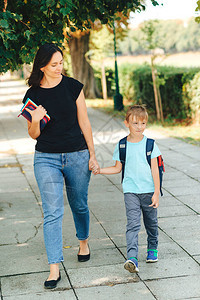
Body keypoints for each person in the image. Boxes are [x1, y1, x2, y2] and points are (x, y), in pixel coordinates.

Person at [22, 43, 99, 289]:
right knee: (53, 212)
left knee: (79, 204)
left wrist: (92, 155)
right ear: (42, 66)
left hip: (77, 154)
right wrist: (34, 119)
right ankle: (54, 268)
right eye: (54, 64)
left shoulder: (73, 87)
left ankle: (83, 242)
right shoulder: (33, 95)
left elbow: (85, 123)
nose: (59, 68)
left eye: (61, 63)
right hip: (46, 158)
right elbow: (33, 135)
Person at [95, 105, 161, 273]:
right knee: (132, 224)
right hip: (130, 191)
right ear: (127, 123)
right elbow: (117, 168)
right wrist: (100, 170)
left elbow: (155, 170)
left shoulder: (151, 145)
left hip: (148, 191)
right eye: (135, 123)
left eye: (143, 123)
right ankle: (132, 258)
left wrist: (156, 193)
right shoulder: (122, 145)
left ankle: (152, 248)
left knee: (151, 223)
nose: (139, 127)